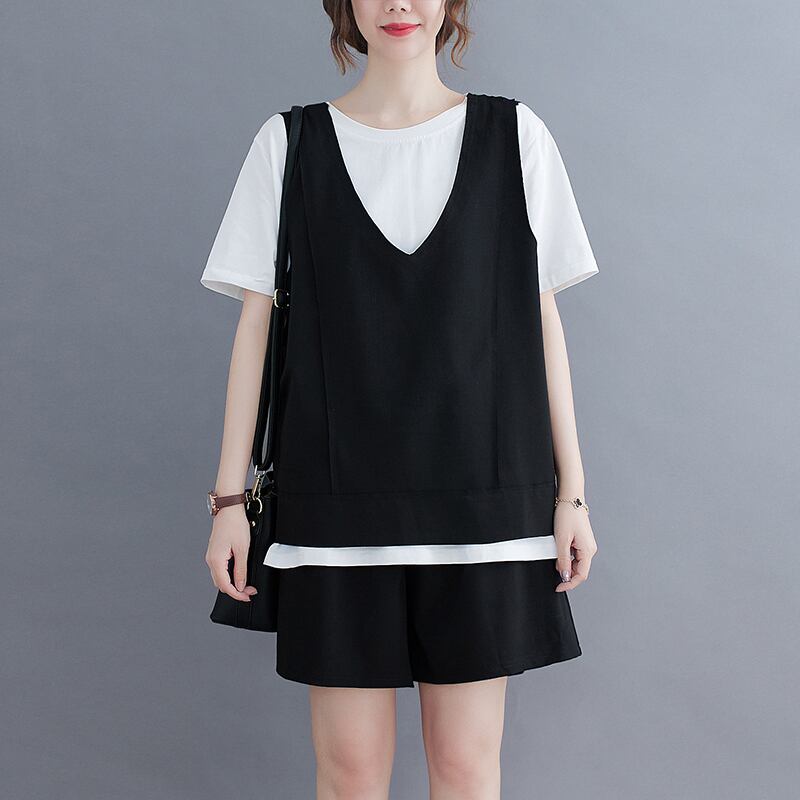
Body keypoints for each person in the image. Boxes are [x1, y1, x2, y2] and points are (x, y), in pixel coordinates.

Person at [201, 1, 599, 797]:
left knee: (465, 769)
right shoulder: (290, 144)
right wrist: (229, 502)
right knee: (349, 774)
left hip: (485, 510)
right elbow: (254, 328)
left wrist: (573, 496)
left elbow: (543, 322)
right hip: (335, 510)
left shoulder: (515, 136)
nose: (398, 3)